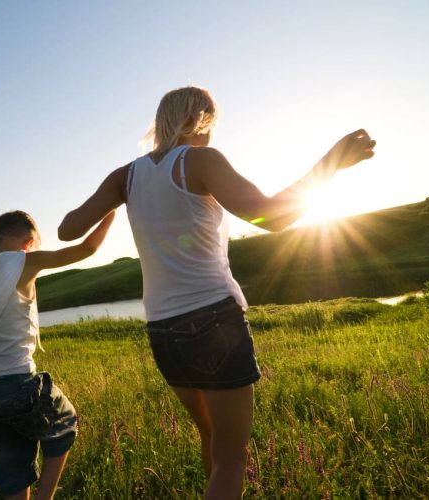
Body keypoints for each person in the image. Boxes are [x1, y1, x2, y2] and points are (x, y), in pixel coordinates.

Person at [57, 86, 376, 499]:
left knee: (210, 440)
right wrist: (330, 163)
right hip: (214, 320)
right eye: (212, 126)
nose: (212, 136)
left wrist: (119, 198)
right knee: (231, 461)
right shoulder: (201, 159)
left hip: (162, 330)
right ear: (200, 121)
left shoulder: (126, 176)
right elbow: (273, 217)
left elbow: (67, 229)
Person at [0, 210, 115, 499]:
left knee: (14, 475)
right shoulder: (25, 261)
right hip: (17, 383)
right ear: (28, 242)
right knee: (65, 423)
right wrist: (110, 211)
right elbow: (87, 248)